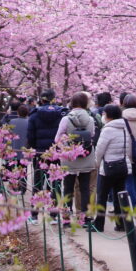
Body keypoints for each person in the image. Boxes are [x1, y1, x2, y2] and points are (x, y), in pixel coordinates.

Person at [53, 91, 96, 225]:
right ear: (85, 104)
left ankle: (66, 218)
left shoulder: (66, 119)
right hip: (86, 156)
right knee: (85, 188)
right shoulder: (90, 119)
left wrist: (66, 146)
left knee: (68, 188)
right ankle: (85, 218)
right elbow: (92, 134)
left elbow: (57, 138)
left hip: (69, 157)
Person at [26, 89, 67, 224]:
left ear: (42, 99)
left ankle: (34, 215)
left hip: (40, 153)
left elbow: (30, 136)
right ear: (53, 99)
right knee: (55, 182)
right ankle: (54, 215)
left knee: (38, 183)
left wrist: (34, 148)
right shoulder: (61, 114)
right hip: (56, 152)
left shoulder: (34, 116)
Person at [92, 104, 132, 232]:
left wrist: (96, 164)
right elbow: (129, 148)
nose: (103, 116)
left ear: (108, 115)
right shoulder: (125, 127)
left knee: (102, 196)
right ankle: (121, 223)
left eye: (104, 114)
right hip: (122, 166)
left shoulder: (108, 129)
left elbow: (99, 150)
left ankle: (99, 224)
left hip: (108, 167)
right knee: (119, 196)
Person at [121, 94, 136, 205]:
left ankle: (133, 204)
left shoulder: (121, 117)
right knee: (135, 178)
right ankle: (135, 202)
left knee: (128, 179)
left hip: (126, 151)